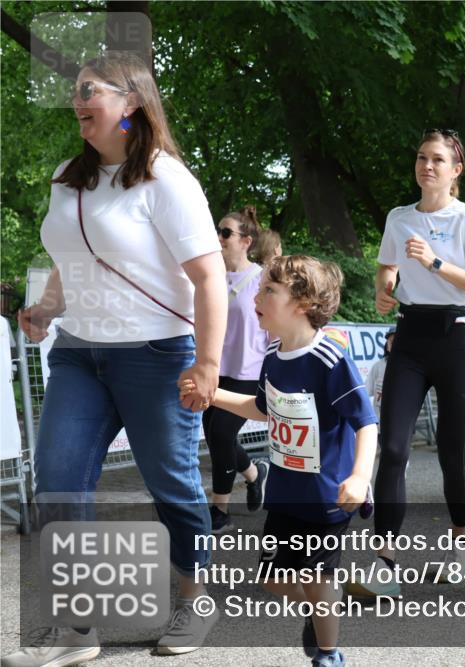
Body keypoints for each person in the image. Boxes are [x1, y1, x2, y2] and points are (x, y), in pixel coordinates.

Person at [9, 52, 226, 665]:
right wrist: (49, 308)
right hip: (79, 354)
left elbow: (209, 278)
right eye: (76, 92)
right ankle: (78, 630)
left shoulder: (167, 179)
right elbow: (70, 259)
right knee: (57, 481)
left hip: (157, 355)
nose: (78, 101)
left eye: (91, 91)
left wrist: (206, 364)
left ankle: (193, 599)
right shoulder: (67, 175)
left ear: (131, 103)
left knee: (172, 487)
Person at [182, 255, 377, 667]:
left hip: (328, 497)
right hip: (286, 493)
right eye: (260, 288)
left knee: (314, 578)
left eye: (269, 290)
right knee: (273, 581)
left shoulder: (331, 359)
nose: (258, 295)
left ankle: (329, 653)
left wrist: (360, 476)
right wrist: (210, 394)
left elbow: (366, 422)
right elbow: (261, 408)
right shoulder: (272, 355)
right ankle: (322, 607)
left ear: (303, 304)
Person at [364, 129, 465, 596]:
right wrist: (385, 288)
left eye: (438, 160)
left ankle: (460, 542)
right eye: (422, 157)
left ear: (455, 170)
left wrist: (437, 263)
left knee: (449, 452)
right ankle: (384, 561)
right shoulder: (399, 218)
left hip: (458, 338)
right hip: (410, 337)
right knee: (394, 448)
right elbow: (387, 267)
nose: (427, 166)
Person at [204, 206, 269, 534]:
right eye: (218, 230)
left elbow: (274, 325)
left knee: (221, 433)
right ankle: (256, 474)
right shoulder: (209, 275)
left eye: (226, 232)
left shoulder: (262, 277)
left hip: (250, 372)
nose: (219, 237)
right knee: (215, 436)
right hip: (215, 370)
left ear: (246, 241)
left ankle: (220, 510)